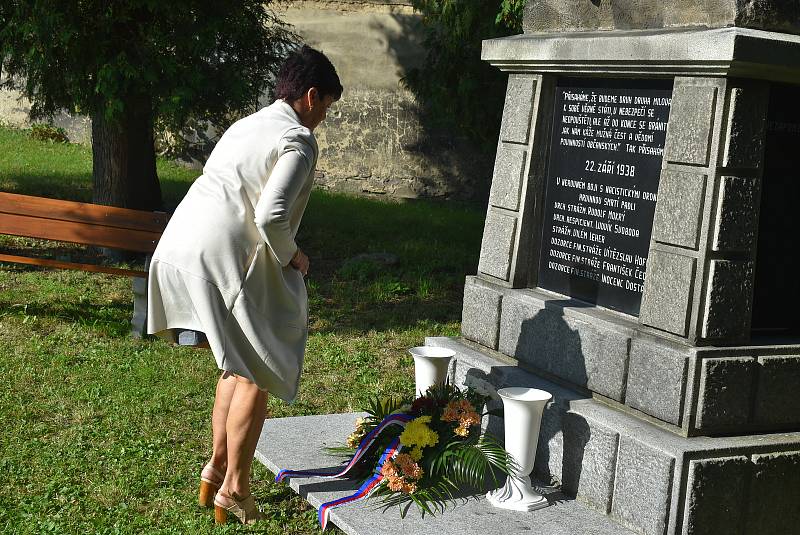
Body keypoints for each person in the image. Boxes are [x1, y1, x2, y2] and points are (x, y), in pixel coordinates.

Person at [146, 45, 342, 525]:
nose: (323, 119)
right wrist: (294, 255)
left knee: (237, 365)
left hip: (181, 243)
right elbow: (271, 213)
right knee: (262, 367)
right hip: (227, 254)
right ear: (311, 96)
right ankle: (235, 488)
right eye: (326, 108)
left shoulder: (246, 124)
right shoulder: (297, 138)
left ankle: (214, 471)